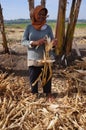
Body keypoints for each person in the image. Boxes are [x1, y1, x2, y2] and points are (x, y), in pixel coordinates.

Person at [21, 5, 57, 97]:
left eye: (43, 15)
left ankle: (48, 94)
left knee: (47, 77)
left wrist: (53, 44)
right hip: (33, 58)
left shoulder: (48, 28)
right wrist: (35, 42)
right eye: (39, 14)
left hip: (46, 57)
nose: (41, 16)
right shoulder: (29, 27)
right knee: (33, 77)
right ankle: (34, 94)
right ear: (34, 15)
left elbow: (51, 40)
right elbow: (23, 42)